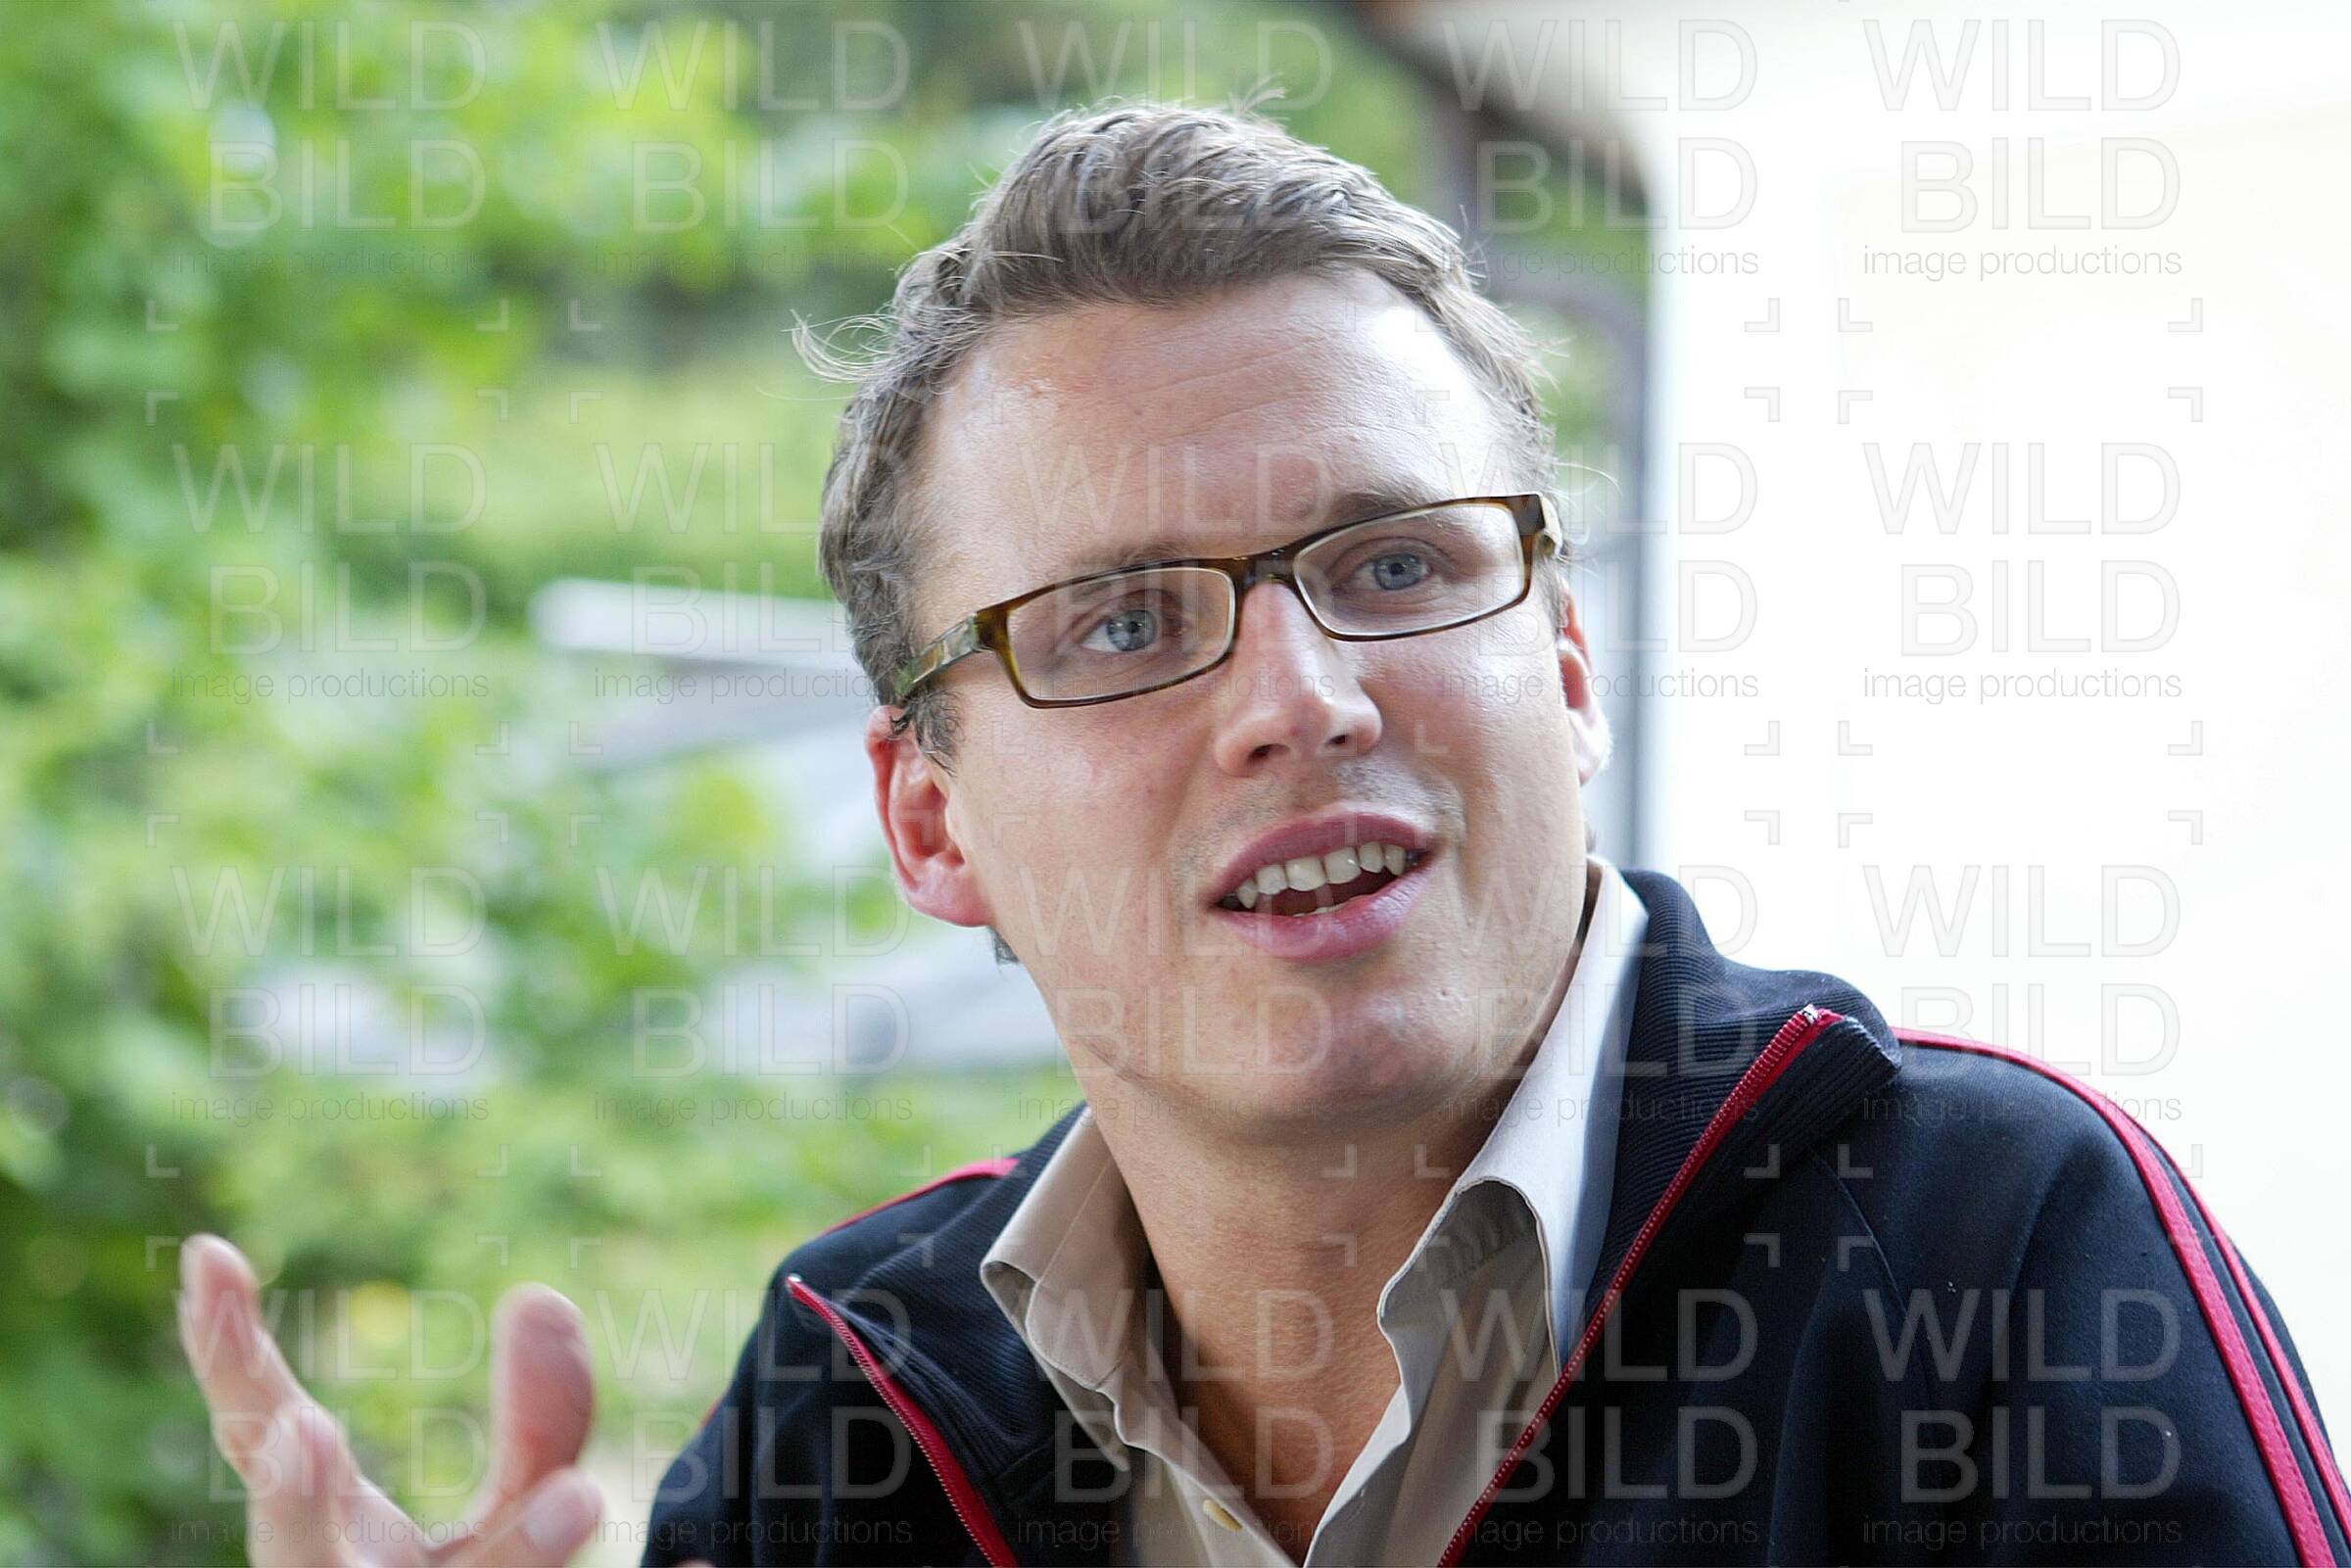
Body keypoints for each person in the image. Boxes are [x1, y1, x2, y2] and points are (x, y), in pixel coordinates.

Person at [182, 99, 2346, 1567]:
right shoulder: (851, 1410)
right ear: (930, 820)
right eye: (1123, 623)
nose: (1304, 698)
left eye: (1398, 564)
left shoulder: (1988, 1256)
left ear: (1566, 666)